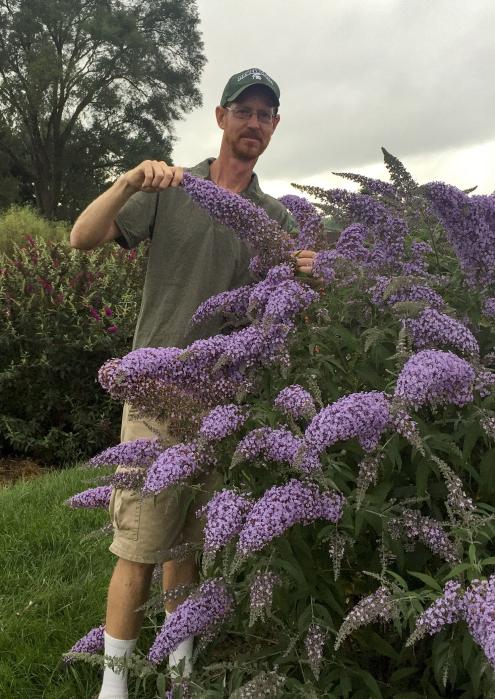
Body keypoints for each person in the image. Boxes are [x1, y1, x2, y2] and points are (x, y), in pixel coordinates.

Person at [70, 68, 314, 699]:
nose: (253, 123)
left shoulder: (270, 219)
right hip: (155, 392)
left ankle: (179, 664)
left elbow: (280, 312)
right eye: (244, 111)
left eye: (265, 114)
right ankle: (114, 687)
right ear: (221, 117)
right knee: (140, 544)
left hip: (224, 402)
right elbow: (82, 238)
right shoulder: (170, 187)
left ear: (275, 126)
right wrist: (127, 181)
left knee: (189, 543)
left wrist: (306, 273)